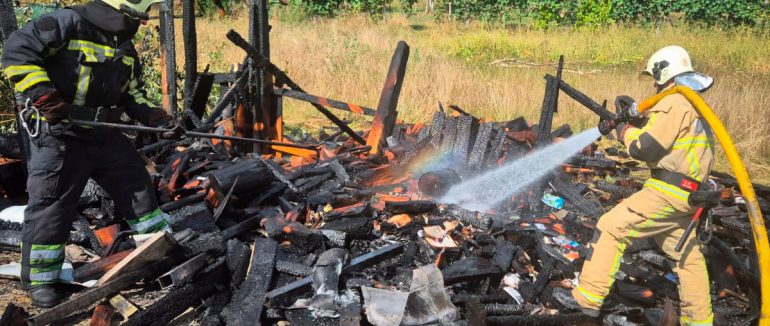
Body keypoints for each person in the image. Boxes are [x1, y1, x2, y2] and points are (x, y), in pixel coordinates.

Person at [1, 0, 184, 307]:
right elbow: (17, 54)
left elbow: (132, 92)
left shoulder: (123, 45)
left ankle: (157, 250)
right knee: (52, 205)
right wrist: (45, 98)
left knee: (136, 185)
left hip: (105, 133)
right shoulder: (65, 23)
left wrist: (156, 119)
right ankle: (41, 279)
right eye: (138, 15)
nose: (140, 23)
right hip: (60, 134)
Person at [553, 45, 716, 325]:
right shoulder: (695, 105)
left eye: (656, 79)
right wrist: (637, 121)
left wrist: (623, 130)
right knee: (685, 256)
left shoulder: (675, 102)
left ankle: (588, 298)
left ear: (664, 73)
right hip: (690, 195)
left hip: (668, 192)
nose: (654, 85)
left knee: (611, 227)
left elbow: (644, 149)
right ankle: (699, 320)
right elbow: (668, 140)